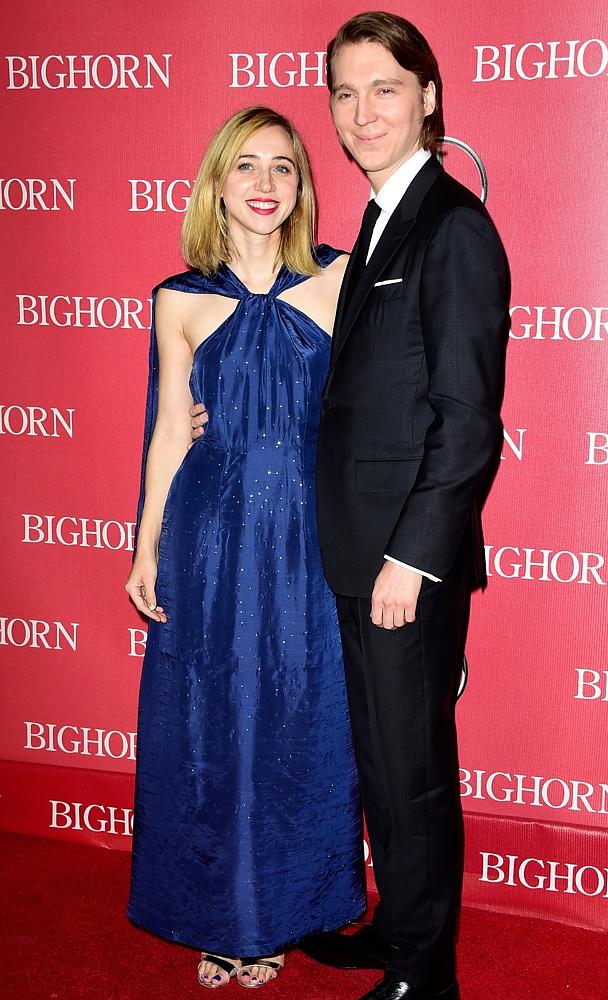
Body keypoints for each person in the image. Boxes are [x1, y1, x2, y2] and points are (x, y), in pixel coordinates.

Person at [192, 12, 510, 1000]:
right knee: (377, 759)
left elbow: (465, 420)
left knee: (409, 771)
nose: (360, 111)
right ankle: (396, 927)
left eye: (382, 87)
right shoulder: (376, 222)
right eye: (343, 91)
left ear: (426, 99)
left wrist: (411, 561)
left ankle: (423, 973)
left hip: (398, 564)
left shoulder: (451, 227)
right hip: (350, 548)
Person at [125, 105, 365, 991]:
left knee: (298, 723)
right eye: (247, 167)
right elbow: (166, 432)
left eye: (285, 169)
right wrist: (144, 546)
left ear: (302, 187)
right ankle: (217, 914)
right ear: (217, 184)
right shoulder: (178, 299)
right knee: (212, 726)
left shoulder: (341, 281)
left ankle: (280, 912)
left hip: (310, 542)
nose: (266, 185)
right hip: (212, 537)